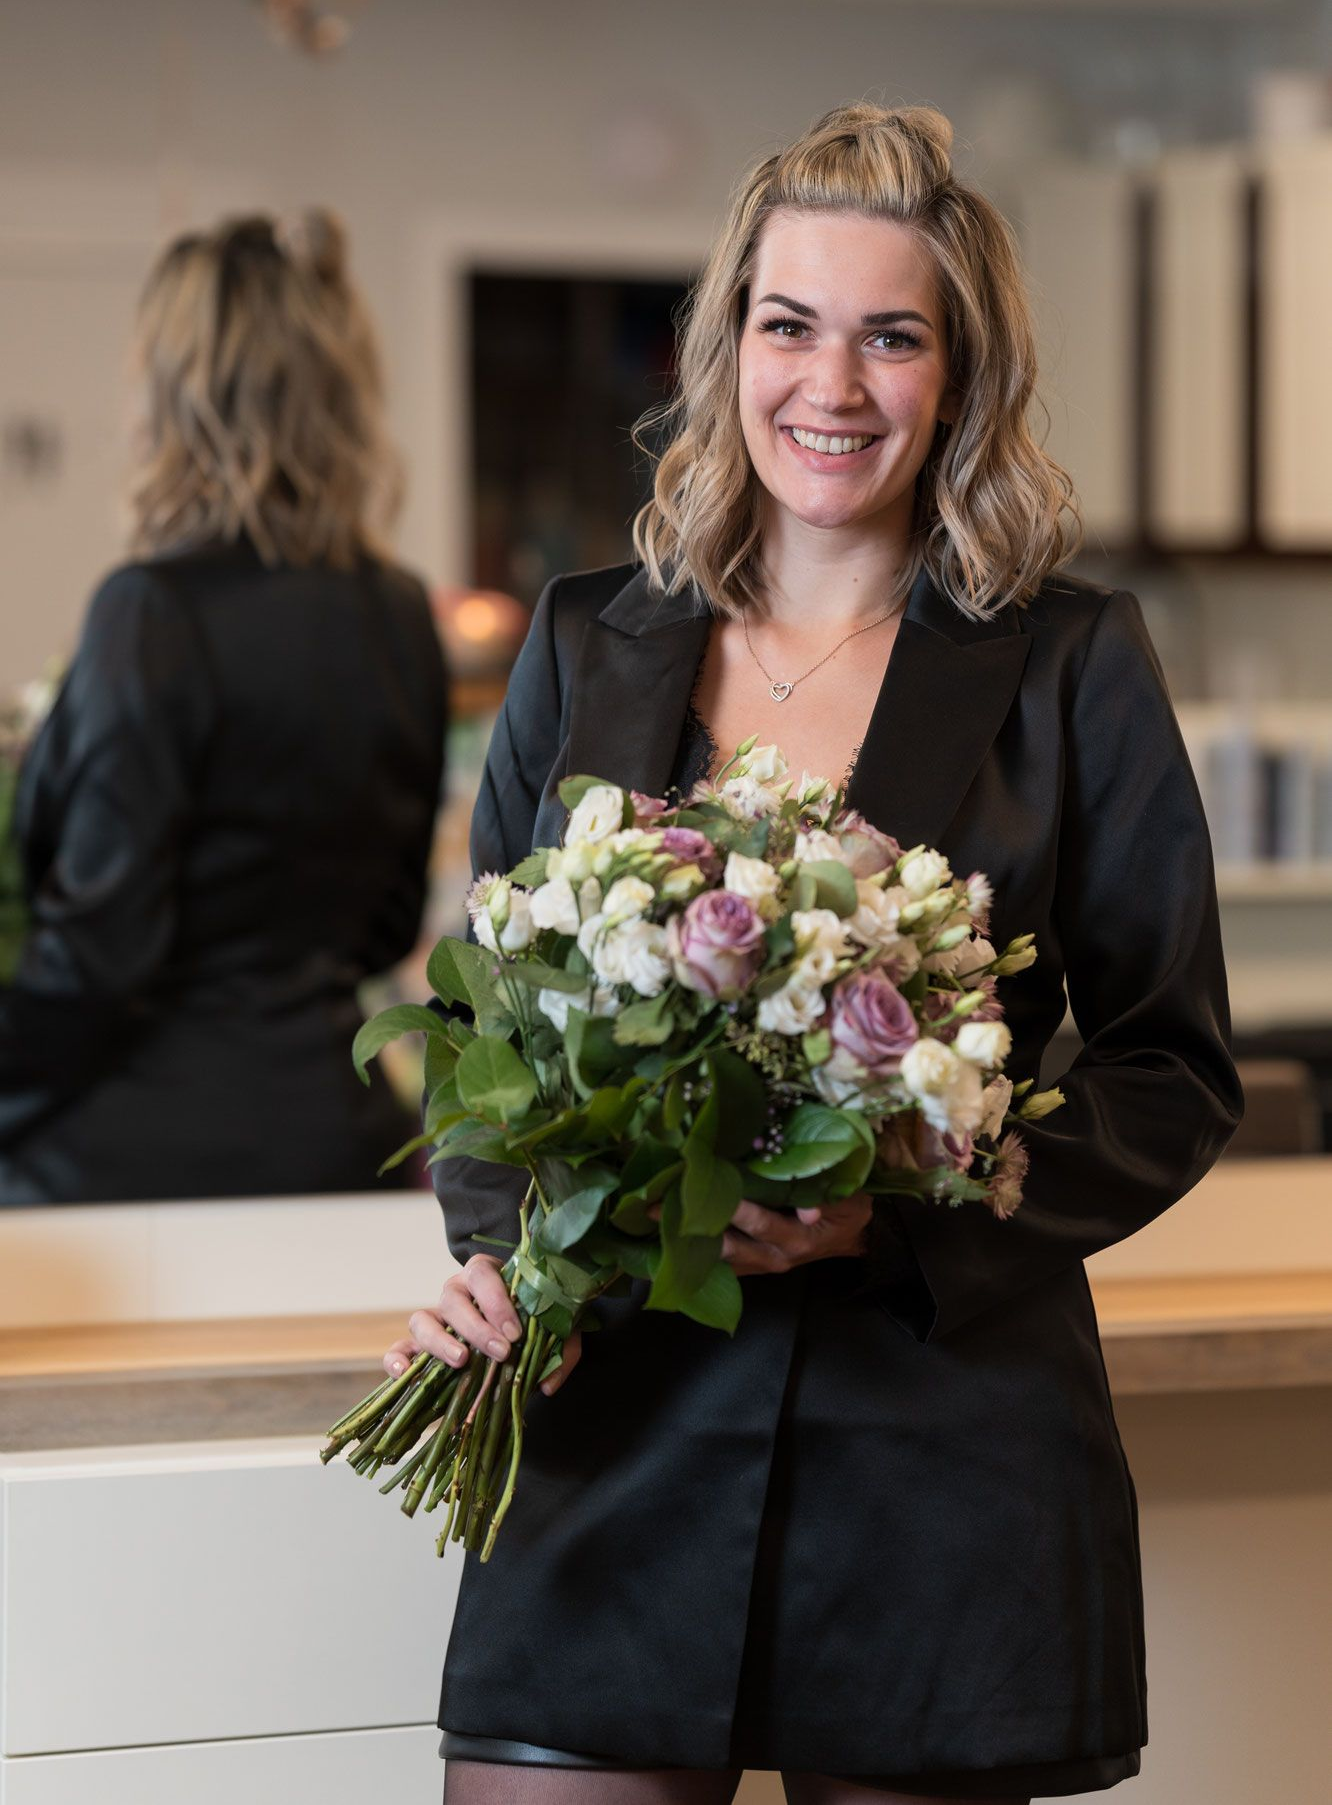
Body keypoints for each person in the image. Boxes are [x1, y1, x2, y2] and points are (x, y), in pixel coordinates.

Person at [383, 105, 1243, 1804]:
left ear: (958, 373)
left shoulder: (1071, 665)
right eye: (789, 325)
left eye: (890, 335)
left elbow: (1166, 1065)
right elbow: (481, 1031)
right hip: (612, 1426)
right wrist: (512, 1260)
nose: (830, 385)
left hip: (937, 1454)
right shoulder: (579, 643)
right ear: (727, 347)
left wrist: (913, 1205)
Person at [0, 209, 448, 1205]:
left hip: (126, 1164)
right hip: (345, 1145)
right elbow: (385, 927)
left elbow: (98, 958)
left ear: (172, 394)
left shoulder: (148, 609)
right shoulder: (401, 610)